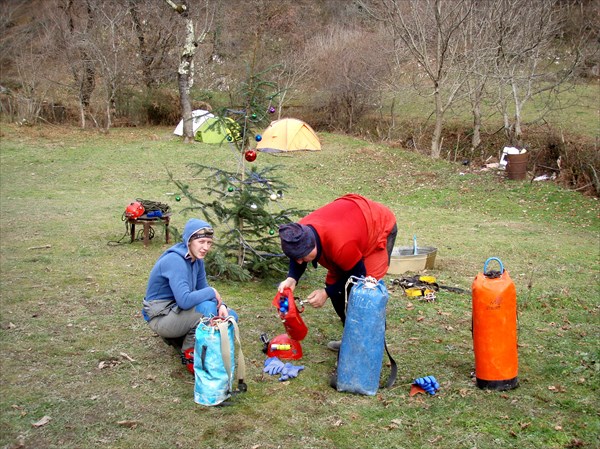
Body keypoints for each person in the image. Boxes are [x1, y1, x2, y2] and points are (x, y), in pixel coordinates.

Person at [278, 194, 397, 351]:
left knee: (366, 291)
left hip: (377, 226)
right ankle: (351, 338)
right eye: (295, 258)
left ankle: (370, 343)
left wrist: (326, 293)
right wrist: (292, 277)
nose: (299, 262)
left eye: (302, 257)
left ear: (312, 245)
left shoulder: (342, 246)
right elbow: (298, 255)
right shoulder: (299, 231)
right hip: (350, 228)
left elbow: (357, 276)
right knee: (337, 288)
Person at [142, 218, 238, 373]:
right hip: (161, 317)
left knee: (229, 317)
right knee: (208, 308)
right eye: (201, 242)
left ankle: (206, 348)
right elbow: (185, 301)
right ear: (189, 241)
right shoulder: (175, 260)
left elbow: (203, 289)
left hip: (177, 311)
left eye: (209, 243)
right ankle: (191, 355)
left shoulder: (196, 260)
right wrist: (212, 292)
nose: (205, 247)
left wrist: (223, 306)